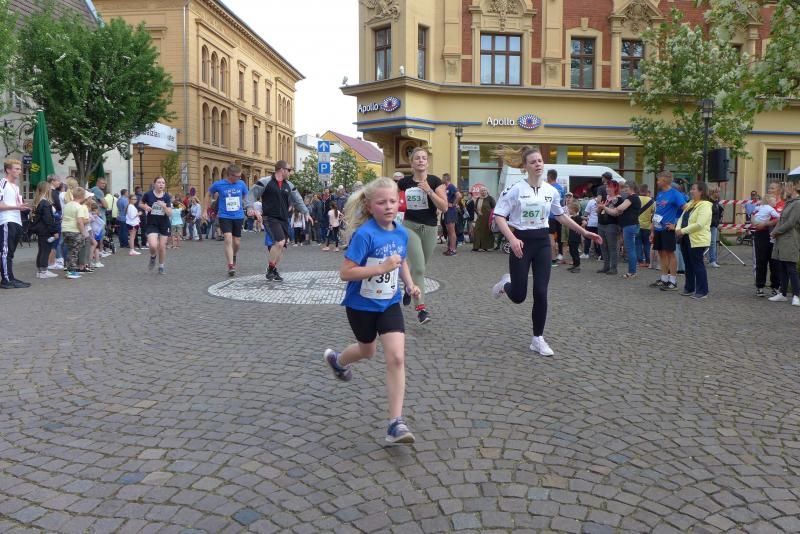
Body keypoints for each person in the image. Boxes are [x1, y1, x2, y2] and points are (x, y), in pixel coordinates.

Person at [322, 177, 420, 444]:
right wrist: (380, 268)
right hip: (361, 305)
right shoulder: (365, 235)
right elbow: (346, 273)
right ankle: (339, 361)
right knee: (367, 351)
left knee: (396, 357)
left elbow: (401, 260)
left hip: (389, 303)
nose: (388, 207)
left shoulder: (400, 232)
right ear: (369, 206)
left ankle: (395, 424)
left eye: (392, 201)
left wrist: (410, 284)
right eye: (381, 202)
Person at [491, 147, 602, 356]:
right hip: (521, 242)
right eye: (533, 162)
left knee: (541, 292)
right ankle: (505, 284)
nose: (538, 164)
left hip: (542, 242)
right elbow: (499, 215)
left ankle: (538, 339)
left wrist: (584, 232)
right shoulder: (515, 189)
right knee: (519, 296)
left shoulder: (551, 191)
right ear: (525, 166)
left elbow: (560, 215)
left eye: (540, 161)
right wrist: (512, 239)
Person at [396, 147, 449, 324]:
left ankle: (409, 286)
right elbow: (394, 202)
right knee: (418, 268)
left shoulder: (434, 181)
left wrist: (429, 191)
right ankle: (421, 310)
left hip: (430, 228)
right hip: (409, 227)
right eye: (417, 158)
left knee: (421, 266)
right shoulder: (403, 183)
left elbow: (444, 207)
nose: (420, 160)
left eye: (424, 158)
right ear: (411, 163)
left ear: (427, 162)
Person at [246, 160, 311, 281]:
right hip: (270, 218)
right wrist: (250, 207)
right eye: (289, 170)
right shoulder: (265, 182)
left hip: (284, 219)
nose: (290, 173)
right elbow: (251, 194)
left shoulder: (289, 185)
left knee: (282, 247)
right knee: (280, 242)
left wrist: (306, 212)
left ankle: (273, 269)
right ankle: (270, 269)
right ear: (281, 170)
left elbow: (298, 200)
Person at [205, 164, 249, 276]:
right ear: (230, 175)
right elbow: (208, 193)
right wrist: (205, 210)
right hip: (225, 216)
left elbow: (247, 195)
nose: (239, 178)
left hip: (238, 216)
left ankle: (234, 255)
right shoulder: (219, 184)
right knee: (228, 239)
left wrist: (246, 205)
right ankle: (230, 266)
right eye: (238, 176)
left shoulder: (241, 184)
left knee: (237, 242)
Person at [675, 182, 712, 299]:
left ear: (701, 191)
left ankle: (702, 291)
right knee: (688, 265)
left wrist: (682, 230)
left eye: (694, 189)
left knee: (698, 265)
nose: (691, 191)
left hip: (697, 240)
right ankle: (689, 288)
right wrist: (678, 228)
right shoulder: (691, 203)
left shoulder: (705, 205)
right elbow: (681, 218)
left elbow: (700, 224)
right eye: (691, 189)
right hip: (686, 238)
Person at [650, 171, 686, 291]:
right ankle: (664, 279)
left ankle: (673, 281)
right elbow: (657, 212)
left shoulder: (675, 194)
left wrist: (676, 225)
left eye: (659, 180)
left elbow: (685, 210)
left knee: (670, 253)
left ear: (665, 181)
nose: (657, 182)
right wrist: (652, 230)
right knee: (661, 253)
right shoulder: (660, 194)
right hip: (658, 228)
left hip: (668, 228)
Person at [768, 179, 800, 306]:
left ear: (793, 188)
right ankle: (783, 293)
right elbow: (781, 220)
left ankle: (797, 295)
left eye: (786, 187)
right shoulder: (789, 202)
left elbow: (791, 222)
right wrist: (775, 231)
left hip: (790, 239)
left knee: (791, 267)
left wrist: (776, 231)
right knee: (782, 266)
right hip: (782, 239)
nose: (784, 189)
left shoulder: (797, 203)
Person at [0, 159, 31, 289]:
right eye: (16, 169)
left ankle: (10, 277)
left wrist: (21, 207)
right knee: (5, 252)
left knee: (10, 253)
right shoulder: (3, 183)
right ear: (8, 170)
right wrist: (17, 207)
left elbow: (16, 205)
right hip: (6, 220)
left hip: (17, 221)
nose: (20, 171)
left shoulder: (16, 187)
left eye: (20, 169)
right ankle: (6, 280)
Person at [604, 181, 642, 278]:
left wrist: (611, 208)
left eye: (625, 188)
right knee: (630, 249)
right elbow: (619, 210)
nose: (624, 190)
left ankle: (632, 272)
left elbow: (620, 208)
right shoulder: (633, 198)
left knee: (630, 249)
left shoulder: (632, 198)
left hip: (629, 226)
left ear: (631, 188)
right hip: (630, 225)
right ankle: (632, 271)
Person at [140, 176, 173, 274]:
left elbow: (169, 214)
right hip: (152, 223)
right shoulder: (148, 194)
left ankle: (161, 266)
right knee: (153, 245)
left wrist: (164, 206)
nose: (161, 184)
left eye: (163, 183)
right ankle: (153, 256)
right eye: (159, 182)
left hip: (164, 223)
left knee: (162, 247)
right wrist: (145, 207)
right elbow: (140, 203)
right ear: (154, 184)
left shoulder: (166, 197)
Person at [752, 193, 781, 297]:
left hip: (774, 235)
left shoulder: (780, 205)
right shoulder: (761, 206)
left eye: (773, 188)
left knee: (774, 262)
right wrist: (755, 223)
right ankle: (760, 286)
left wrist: (764, 224)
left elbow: (780, 219)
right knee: (761, 261)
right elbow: (753, 217)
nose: (770, 190)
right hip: (761, 235)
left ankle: (775, 287)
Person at [31, 181, 59, 279]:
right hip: (45, 230)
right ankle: (43, 271)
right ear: (46, 189)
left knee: (41, 250)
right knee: (45, 250)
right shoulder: (45, 203)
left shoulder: (38, 201)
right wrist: (55, 231)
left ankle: (40, 271)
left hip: (40, 230)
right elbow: (48, 219)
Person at [596, 180, 622, 275]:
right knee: (603, 247)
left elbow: (615, 213)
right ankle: (606, 266)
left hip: (612, 225)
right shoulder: (606, 198)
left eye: (610, 187)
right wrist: (599, 208)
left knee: (612, 247)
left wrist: (604, 207)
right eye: (607, 187)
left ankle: (613, 268)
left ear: (615, 188)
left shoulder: (618, 199)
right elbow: (598, 211)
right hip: (601, 224)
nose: (607, 189)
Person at [61, 186, 88, 279]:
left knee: (70, 250)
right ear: (83, 196)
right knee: (74, 251)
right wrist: (83, 232)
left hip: (65, 229)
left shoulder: (67, 205)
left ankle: (69, 269)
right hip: (74, 230)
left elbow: (63, 217)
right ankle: (72, 272)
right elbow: (79, 222)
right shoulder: (79, 207)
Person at [546, 169, 566, 265]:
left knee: (551, 237)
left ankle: (553, 259)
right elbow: (563, 202)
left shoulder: (548, 188)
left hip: (550, 216)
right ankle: (560, 254)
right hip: (559, 215)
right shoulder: (561, 188)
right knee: (559, 236)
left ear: (549, 176)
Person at [442, 173, 461, 256]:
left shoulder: (451, 186)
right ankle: (450, 248)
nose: (441, 179)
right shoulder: (446, 187)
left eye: (442, 178)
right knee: (449, 231)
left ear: (446, 179)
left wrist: (453, 204)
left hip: (451, 211)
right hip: (447, 210)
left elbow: (459, 195)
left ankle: (453, 250)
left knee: (452, 231)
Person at [471, 187, 495, 251]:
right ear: (480, 192)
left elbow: (494, 208)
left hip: (488, 218)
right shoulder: (478, 198)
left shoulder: (490, 198)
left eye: (485, 190)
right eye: (482, 190)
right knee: (477, 231)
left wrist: (492, 217)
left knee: (486, 232)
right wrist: (478, 212)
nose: (483, 191)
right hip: (480, 218)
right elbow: (475, 208)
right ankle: (476, 247)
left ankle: (485, 247)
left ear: (487, 191)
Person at [637, 187, 655, 268]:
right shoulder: (652, 201)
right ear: (647, 191)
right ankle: (648, 262)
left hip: (637, 225)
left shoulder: (636, 199)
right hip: (648, 226)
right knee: (647, 244)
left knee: (638, 244)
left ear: (639, 191)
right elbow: (654, 213)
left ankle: (640, 262)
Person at [708, 188, 724, 268]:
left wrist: (719, 223)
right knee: (708, 243)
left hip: (714, 226)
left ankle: (712, 260)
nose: (718, 194)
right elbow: (709, 215)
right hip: (708, 225)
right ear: (712, 193)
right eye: (717, 192)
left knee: (713, 243)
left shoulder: (716, 202)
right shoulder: (709, 202)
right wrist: (717, 225)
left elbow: (717, 215)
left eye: (719, 192)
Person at [582, 193, 600, 259]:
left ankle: (586, 253)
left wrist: (584, 217)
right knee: (597, 239)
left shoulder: (591, 201)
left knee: (588, 238)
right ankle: (599, 254)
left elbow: (586, 213)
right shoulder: (603, 200)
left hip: (591, 222)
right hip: (599, 223)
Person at [566, 200, 583, 273]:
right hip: (571, 236)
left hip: (575, 237)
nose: (568, 210)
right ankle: (574, 264)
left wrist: (580, 229)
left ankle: (577, 266)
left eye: (569, 209)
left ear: (573, 210)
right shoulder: (571, 217)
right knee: (571, 251)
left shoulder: (578, 217)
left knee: (575, 251)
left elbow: (584, 223)